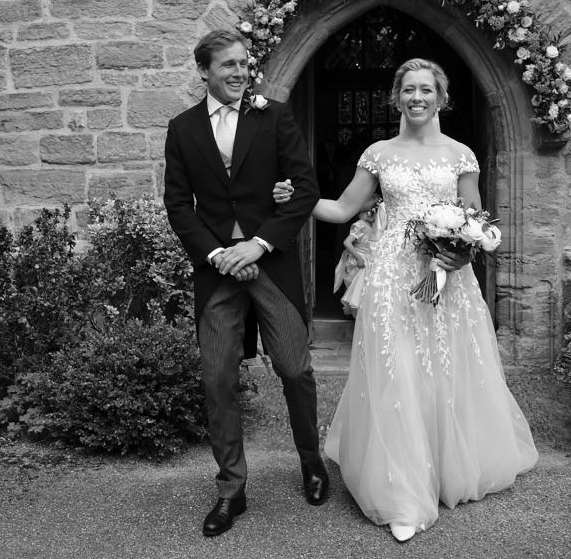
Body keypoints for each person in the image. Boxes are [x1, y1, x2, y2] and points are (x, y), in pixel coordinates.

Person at [273, 58, 538, 542]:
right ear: (396, 97)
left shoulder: (461, 154)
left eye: (426, 90)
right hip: (391, 279)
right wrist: (295, 198)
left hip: (446, 280)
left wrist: (462, 250)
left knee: (444, 364)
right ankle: (402, 491)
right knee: (396, 369)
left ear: (441, 97)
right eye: (409, 90)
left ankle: (448, 468)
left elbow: (476, 219)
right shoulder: (379, 154)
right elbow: (341, 208)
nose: (418, 98)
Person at [163, 29, 327, 538]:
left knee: (295, 370)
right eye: (228, 65)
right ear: (204, 71)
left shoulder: (274, 116)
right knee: (217, 379)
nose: (239, 72)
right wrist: (217, 254)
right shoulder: (182, 128)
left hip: (271, 264)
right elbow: (178, 205)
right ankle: (231, 490)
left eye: (243, 63)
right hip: (217, 275)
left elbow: (305, 189)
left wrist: (258, 245)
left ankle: (312, 464)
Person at [332, 198, 384, 317]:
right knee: (356, 286)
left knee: (364, 288)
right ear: (364, 212)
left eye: (375, 212)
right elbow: (347, 242)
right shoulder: (360, 225)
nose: (373, 215)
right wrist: (358, 258)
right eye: (370, 212)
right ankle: (356, 314)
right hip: (359, 259)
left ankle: (362, 315)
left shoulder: (372, 226)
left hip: (368, 258)